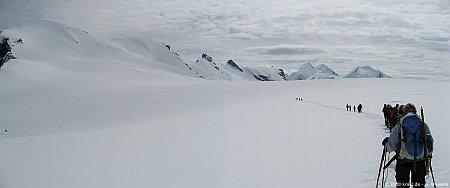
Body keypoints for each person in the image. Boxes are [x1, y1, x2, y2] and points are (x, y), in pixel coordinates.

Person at [382, 103, 434, 188]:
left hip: (403, 162)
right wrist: (428, 154)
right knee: (419, 185)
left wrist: (386, 145)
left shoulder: (399, 126)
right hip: (419, 161)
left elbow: (391, 146)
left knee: (402, 185)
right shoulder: (423, 125)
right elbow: (429, 143)